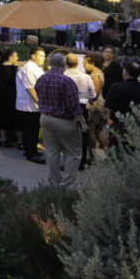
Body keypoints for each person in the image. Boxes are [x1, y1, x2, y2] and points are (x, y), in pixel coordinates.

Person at [37, 52, 84, 189]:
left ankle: (55, 182)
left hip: (45, 118)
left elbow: (39, 95)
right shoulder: (66, 81)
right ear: (64, 65)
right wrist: (83, 122)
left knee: (52, 152)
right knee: (73, 153)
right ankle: (66, 185)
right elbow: (74, 105)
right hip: (64, 120)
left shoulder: (41, 79)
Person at [106, 59, 140, 149]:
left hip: (119, 127)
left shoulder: (117, 87)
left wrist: (108, 125)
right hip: (138, 129)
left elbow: (108, 109)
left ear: (125, 72)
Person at [15, 48, 46, 164]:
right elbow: (30, 88)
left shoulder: (35, 68)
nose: (43, 58)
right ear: (33, 56)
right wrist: (40, 103)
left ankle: (31, 149)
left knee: (33, 129)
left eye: (44, 56)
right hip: (28, 106)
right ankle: (30, 153)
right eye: (41, 56)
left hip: (32, 106)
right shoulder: (28, 68)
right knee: (30, 130)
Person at [0, 48, 21, 149]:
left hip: (1, 94)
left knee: (2, 115)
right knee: (14, 117)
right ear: (10, 57)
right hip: (12, 94)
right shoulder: (15, 68)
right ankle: (18, 140)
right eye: (16, 56)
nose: (17, 58)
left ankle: (2, 138)